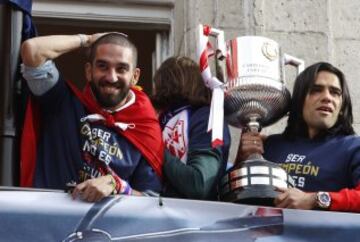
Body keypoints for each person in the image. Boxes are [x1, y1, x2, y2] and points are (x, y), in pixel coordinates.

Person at [20, 32, 164, 202]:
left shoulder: (146, 129)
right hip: (47, 223)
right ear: (89, 71)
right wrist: (86, 40)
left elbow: (152, 201)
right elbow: (32, 50)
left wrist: (117, 185)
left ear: (135, 77)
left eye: (121, 69)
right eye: (102, 66)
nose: (111, 77)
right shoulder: (62, 101)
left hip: (107, 228)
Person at [236, 62, 360, 212]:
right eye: (316, 90)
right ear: (300, 101)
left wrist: (315, 199)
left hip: (319, 234)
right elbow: (234, 199)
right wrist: (243, 159)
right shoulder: (270, 145)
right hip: (267, 233)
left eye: (335, 92)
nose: (327, 97)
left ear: (342, 107)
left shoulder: (354, 147)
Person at [151, 56, 231, 200]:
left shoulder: (207, 117)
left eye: (158, 82)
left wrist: (153, 145)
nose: (155, 89)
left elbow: (199, 184)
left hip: (195, 218)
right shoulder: (164, 119)